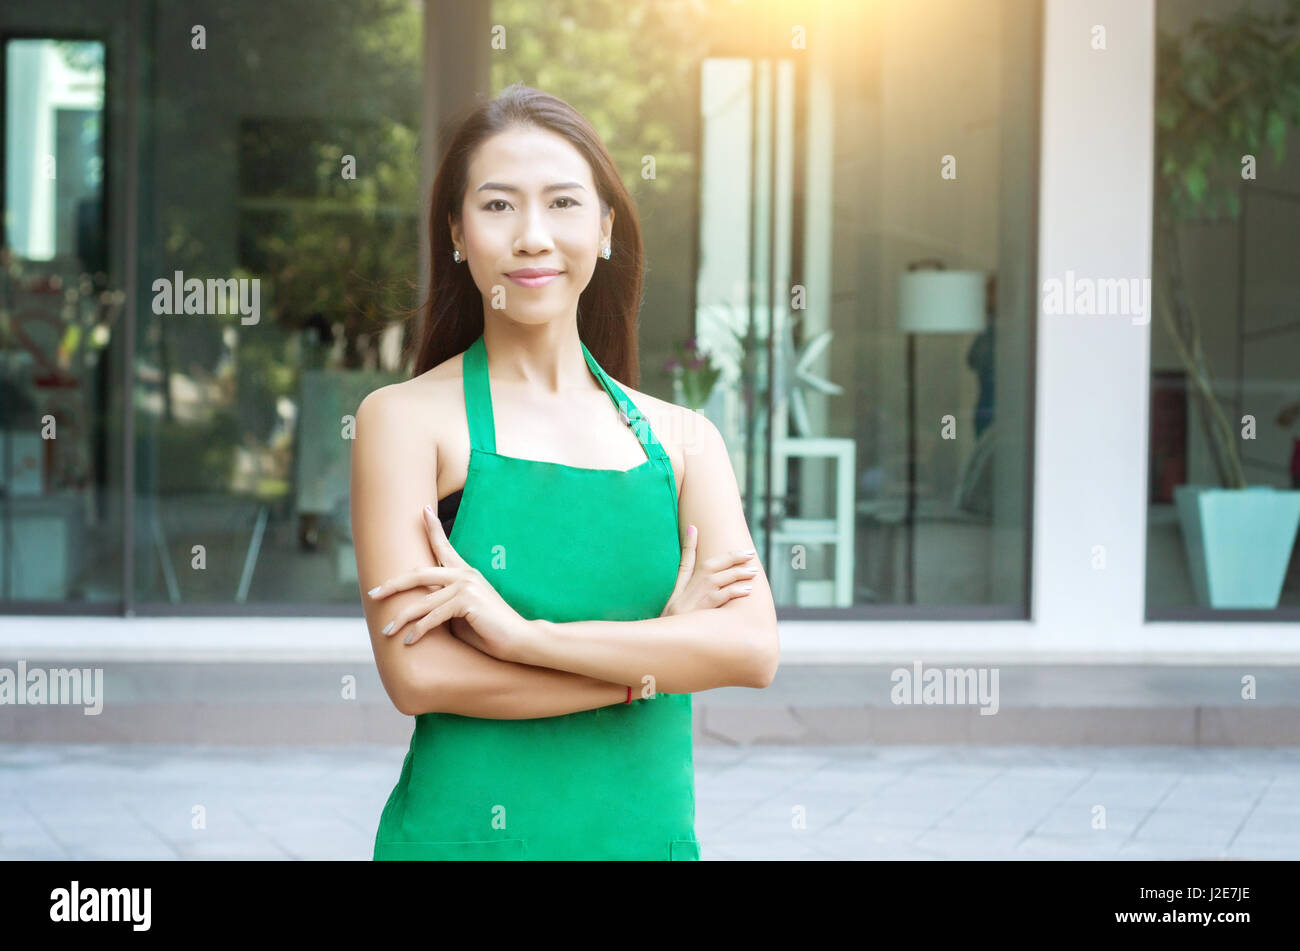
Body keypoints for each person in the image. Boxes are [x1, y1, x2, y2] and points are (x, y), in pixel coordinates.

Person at [350, 84, 779, 861]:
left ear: (606, 228)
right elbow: (418, 675)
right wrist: (652, 660)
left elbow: (750, 650)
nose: (533, 236)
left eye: (563, 203)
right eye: (498, 206)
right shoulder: (402, 421)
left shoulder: (686, 441)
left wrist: (522, 638)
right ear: (456, 232)